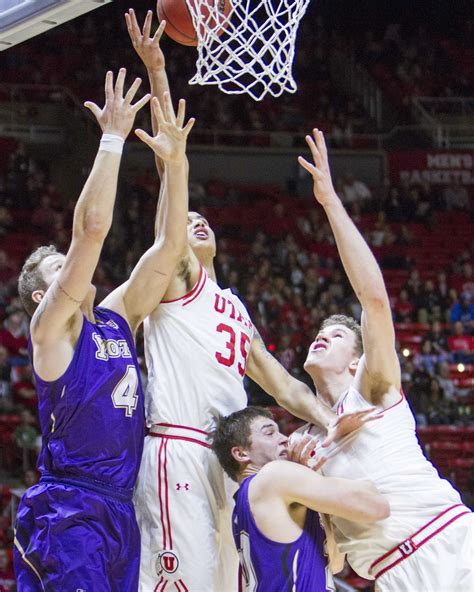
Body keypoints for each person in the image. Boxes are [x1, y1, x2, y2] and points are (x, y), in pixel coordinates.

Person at [125, 9, 376, 591]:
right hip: (181, 448)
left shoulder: (233, 306)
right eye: (188, 221)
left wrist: (339, 420)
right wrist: (160, 76)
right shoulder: (176, 278)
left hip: (233, 461)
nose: (198, 221)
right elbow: (170, 186)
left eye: (202, 217)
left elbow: (285, 387)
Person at [14, 68, 195, 590]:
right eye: (60, 267)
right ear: (40, 296)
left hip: (122, 507)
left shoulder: (116, 317)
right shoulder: (51, 328)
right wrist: (113, 137)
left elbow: (168, 248)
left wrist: (177, 165)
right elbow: (91, 230)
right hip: (71, 507)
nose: (75, 266)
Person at [293, 128, 474, 592]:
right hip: (391, 576)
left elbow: (373, 301)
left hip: (450, 546)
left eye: (334, 336)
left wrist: (330, 201)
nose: (320, 338)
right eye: (318, 333)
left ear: (357, 362)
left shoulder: (372, 390)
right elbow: (332, 558)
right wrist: (304, 489)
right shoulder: (309, 443)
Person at [210, 406, 390, 592]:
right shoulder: (272, 475)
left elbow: (334, 563)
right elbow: (376, 506)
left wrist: (313, 483)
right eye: (270, 433)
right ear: (241, 454)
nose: (284, 438)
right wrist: (339, 449)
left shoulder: (244, 503)